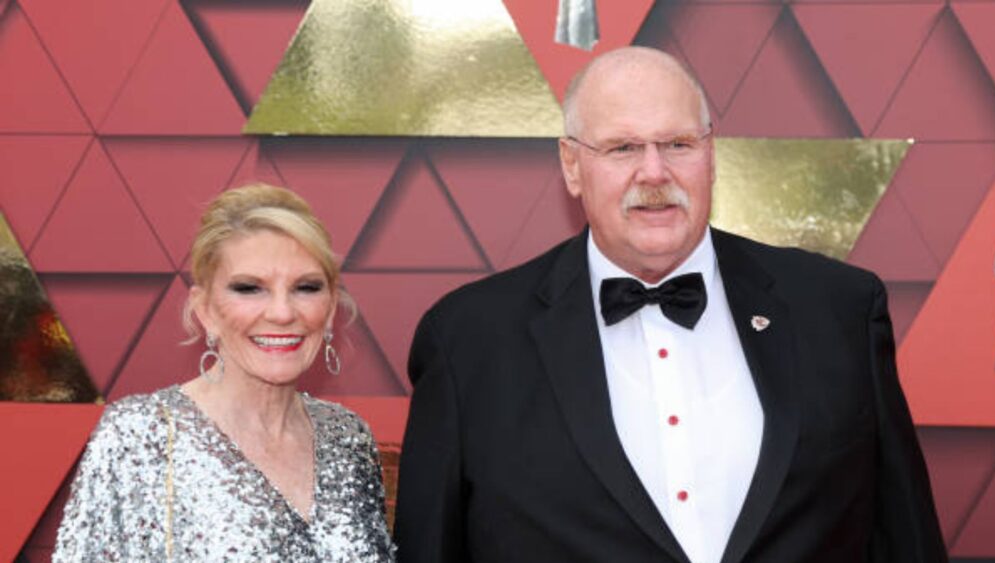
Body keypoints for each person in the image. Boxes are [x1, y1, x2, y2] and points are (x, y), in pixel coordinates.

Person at [394, 47, 947, 562]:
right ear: (570, 164)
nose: (654, 173)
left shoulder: (839, 309)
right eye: (622, 148)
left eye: (678, 144)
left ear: (710, 154)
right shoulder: (468, 341)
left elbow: (905, 538)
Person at [54, 184, 395, 561]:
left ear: (331, 309)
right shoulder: (141, 435)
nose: (282, 313)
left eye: (306, 287)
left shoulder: (349, 439)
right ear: (206, 310)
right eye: (249, 288)